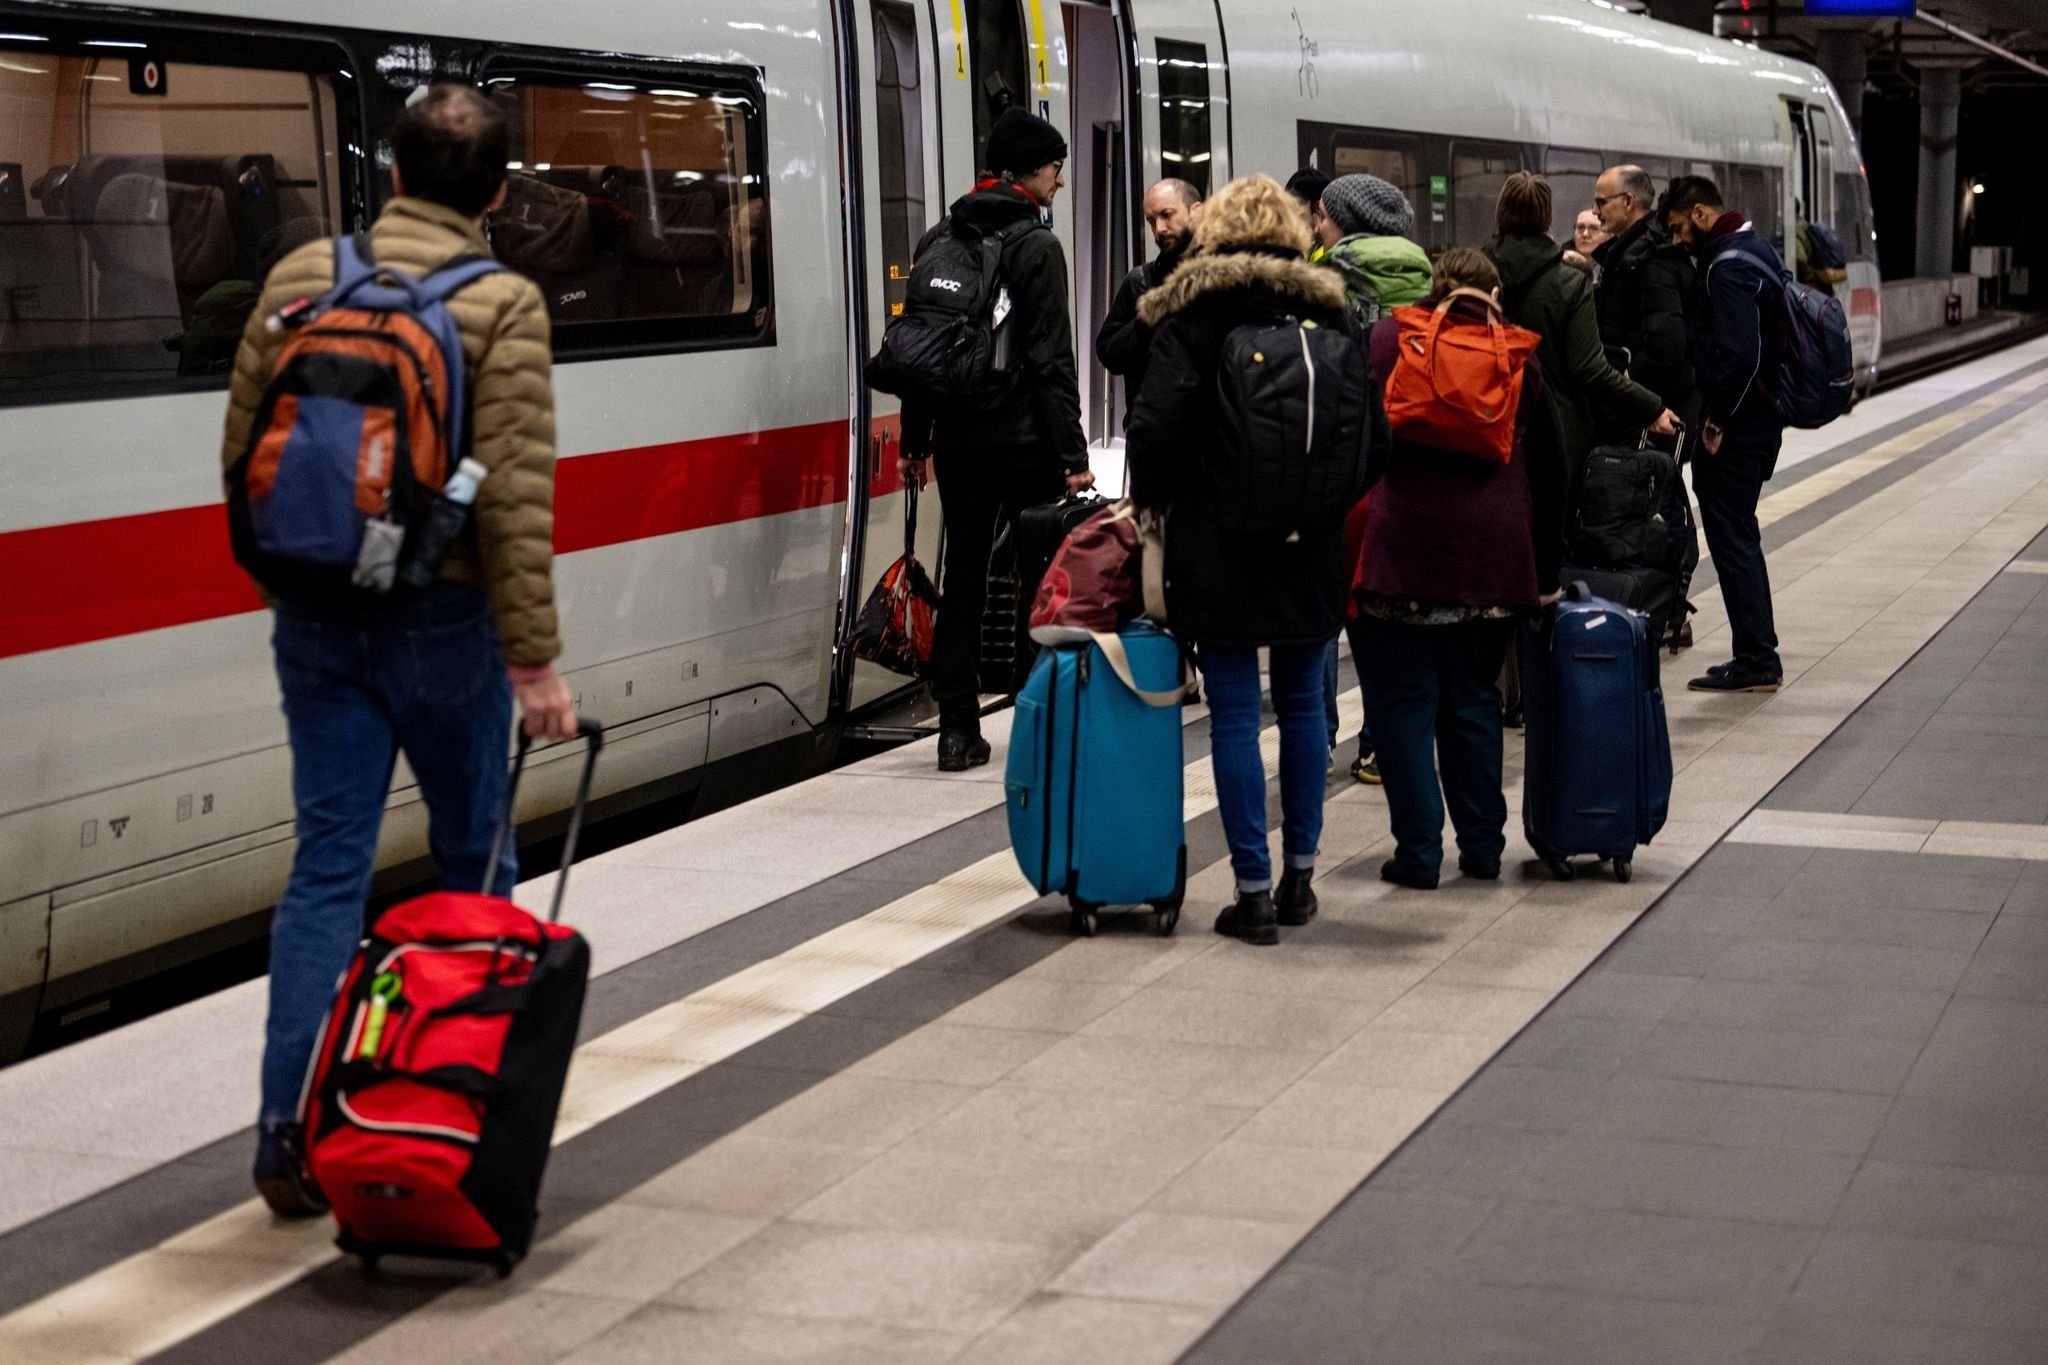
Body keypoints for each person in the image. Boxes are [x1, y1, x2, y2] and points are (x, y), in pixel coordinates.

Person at [220, 84, 576, 1217]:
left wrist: (299, 587)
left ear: (394, 172)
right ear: (499, 193)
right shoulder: (502, 301)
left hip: (315, 620)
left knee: (327, 867)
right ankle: (446, 1110)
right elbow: (513, 499)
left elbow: (242, 452)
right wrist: (533, 663)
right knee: (475, 864)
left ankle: (287, 1130)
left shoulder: (298, 276)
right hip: (444, 626)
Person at [1127, 174, 1385, 944]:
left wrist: (1162, 507)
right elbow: (1376, 442)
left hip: (1219, 547)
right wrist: (1323, 505)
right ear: (1294, 233)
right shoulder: (1333, 312)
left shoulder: (1191, 318)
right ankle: (1301, 876)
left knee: (1236, 717)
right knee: (1308, 707)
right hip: (1311, 547)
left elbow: (1152, 436)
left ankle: (1252, 893)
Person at [1355, 248, 1567, 889]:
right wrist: (1546, 570)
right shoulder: (1516, 353)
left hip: (1398, 553)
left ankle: (1418, 854)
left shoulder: (1386, 340)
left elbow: (1359, 439)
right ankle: (1480, 849)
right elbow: (1554, 465)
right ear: (1494, 294)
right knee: (1474, 702)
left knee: (1401, 706)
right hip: (1489, 558)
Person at [899, 108, 1093, 770]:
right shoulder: (1037, 245)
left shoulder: (939, 237)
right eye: (1054, 169)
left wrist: (915, 440)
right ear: (1023, 174)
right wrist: (1073, 457)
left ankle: (957, 729)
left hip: (959, 438)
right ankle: (1034, 723)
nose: (1059, 182)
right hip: (1025, 439)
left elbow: (923, 347)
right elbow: (1049, 359)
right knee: (1039, 579)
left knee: (965, 576)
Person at [1311, 173, 1432, 785]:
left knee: (1330, 601)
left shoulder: (1330, 275)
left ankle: (1319, 733)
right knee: (1390, 606)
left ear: (1343, 220)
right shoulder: (1425, 274)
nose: (1317, 225)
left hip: (1347, 452)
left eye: (1324, 216)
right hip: (1412, 452)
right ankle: (1380, 742)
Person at [1665, 174, 1786, 693]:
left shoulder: (1727, 268)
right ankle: (1754, 653)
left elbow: (1741, 357)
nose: (1675, 240)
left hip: (1740, 430)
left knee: (1733, 537)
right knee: (1740, 535)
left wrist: (1717, 420)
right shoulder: (1755, 249)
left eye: (1677, 228)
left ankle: (1757, 659)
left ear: (1698, 214)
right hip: (1760, 424)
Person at [1484, 172, 1676, 485]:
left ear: (1500, 213)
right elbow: (1590, 369)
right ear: (1546, 218)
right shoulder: (1569, 282)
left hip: (1486, 419)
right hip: (1554, 432)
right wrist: (1651, 407)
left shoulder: (1476, 273)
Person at [1594, 165, 1703, 647]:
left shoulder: (1651, 262)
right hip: (1644, 407)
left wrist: (1626, 389)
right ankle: (1650, 606)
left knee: (1661, 510)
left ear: (1629, 203)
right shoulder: (1627, 256)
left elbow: (1666, 345)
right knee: (1649, 508)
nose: (1596, 211)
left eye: (1602, 202)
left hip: (1659, 412)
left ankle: (1667, 609)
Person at [1094, 178, 1202, 420]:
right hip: (1150, 434)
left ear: (1196, 212)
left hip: (1212, 438)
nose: (1159, 229)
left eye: (1167, 215)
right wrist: (1146, 322)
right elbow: (1108, 352)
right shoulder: (1140, 281)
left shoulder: (1224, 277)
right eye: (1152, 221)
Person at [1313, 173, 1432, 327]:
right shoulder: (1424, 279)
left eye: (1322, 217)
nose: (1317, 228)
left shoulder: (1332, 293)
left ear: (1347, 224)